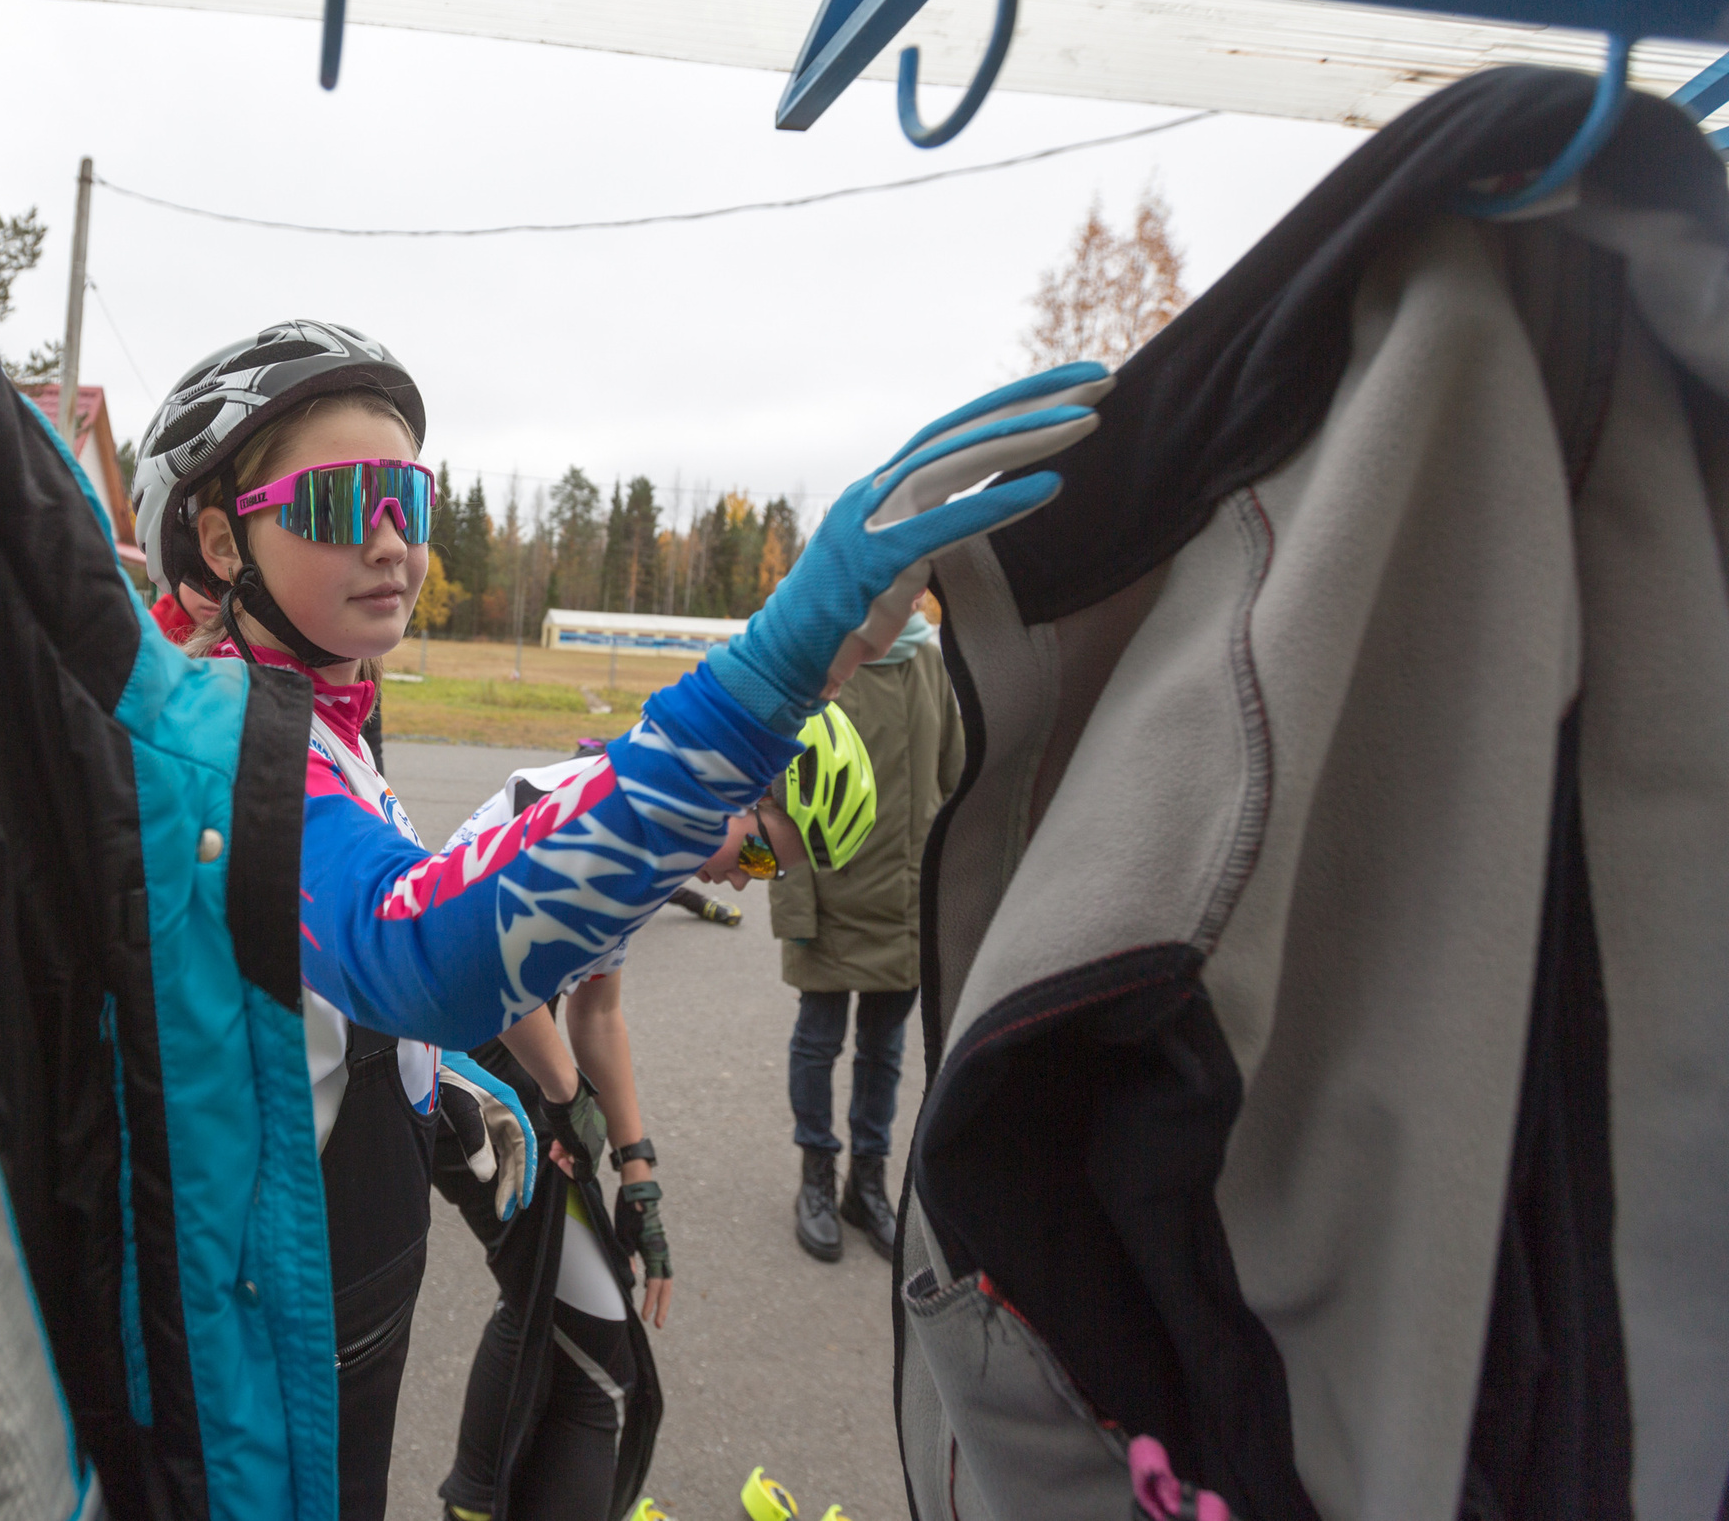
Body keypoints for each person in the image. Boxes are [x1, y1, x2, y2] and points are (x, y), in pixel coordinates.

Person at [128, 320, 1108, 1515]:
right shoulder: (219, 736)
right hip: (266, 1348)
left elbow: (322, 1020)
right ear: (224, 538)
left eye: (409, 499)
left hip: (339, 1291)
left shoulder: (315, 713)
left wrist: (482, 1116)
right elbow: (411, 948)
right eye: (341, 504)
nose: (391, 542)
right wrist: (767, 672)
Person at [431, 764, 799, 1521]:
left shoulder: (656, 834)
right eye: (759, 857)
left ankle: (474, 1502)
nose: (740, 885)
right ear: (744, 793)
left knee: (560, 1308)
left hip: (503, 1048)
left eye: (771, 874)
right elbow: (480, 956)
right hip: (461, 1056)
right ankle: (473, 1501)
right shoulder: (618, 827)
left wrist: (639, 1170)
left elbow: (596, 1014)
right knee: (596, 1350)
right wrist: (568, 1100)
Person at [775, 596, 963, 1265]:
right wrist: (793, 907)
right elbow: (778, 798)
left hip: (907, 905)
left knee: (885, 1052)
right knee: (818, 1042)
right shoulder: (819, 667)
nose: (903, 597)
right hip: (828, 902)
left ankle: (869, 1184)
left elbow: (956, 783)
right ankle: (817, 1177)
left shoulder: (932, 666)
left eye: (912, 586)